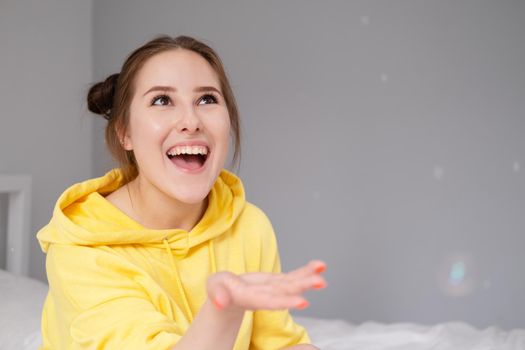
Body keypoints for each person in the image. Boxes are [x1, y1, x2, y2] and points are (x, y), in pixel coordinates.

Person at [37, 35, 326, 350]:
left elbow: (280, 344)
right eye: (161, 100)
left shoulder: (248, 226)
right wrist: (224, 309)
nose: (191, 121)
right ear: (125, 132)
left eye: (207, 99)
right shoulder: (82, 251)